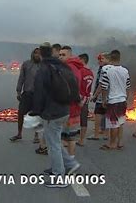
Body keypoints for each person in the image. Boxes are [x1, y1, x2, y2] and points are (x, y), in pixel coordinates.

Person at [31, 42, 80, 188]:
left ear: (40, 53)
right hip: (64, 109)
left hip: (52, 112)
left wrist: (36, 111)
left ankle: (60, 176)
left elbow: (39, 92)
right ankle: (69, 164)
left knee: (53, 145)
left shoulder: (44, 69)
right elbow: (73, 84)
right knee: (55, 141)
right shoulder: (61, 66)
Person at [99, 50, 130, 150]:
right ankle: (120, 142)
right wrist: (126, 98)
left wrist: (104, 100)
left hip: (113, 100)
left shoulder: (108, 71)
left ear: (111, 58)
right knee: (120, 122)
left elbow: (104, 86)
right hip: (122, 100)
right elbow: (128, 86)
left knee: (113, 124)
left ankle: (112, 144)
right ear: (119, 58)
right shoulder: (125, 71)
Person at [10, 48, 41, 142]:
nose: (37, 55)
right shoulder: (26, 64)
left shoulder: (43, 66)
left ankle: (37, 135)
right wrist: (18, 91)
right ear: (32, 54)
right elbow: (21, 78)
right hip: (27, 93)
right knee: (21, 113)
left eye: (39, 53)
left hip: (39, 94)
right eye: (35, 53)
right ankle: (19, 133)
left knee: (37, 115)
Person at [58, 46, 83, 158]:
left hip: (67, 108)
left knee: (65, 136)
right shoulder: (76, 68)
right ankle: (69, 160)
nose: (60, 57)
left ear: (70, 55)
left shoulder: (68, 68)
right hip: (74, 108)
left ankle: (68, 162)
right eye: (60, 55)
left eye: (63, 55)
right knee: (70, 136)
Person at [88, 53, 107, 140]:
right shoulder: (103, 68)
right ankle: (105, 132)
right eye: (99, 60)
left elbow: (101, 84)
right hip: (107, 96)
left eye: (101, 59)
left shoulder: (105, 69)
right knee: (105, 114)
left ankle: (96, 135)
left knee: (98, 113)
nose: (99, 61)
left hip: (102, 95)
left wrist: (95, 95)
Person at [77, 53, 94, 147]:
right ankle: (82, 139)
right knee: (84, 120)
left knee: (73, 118)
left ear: (82, 60)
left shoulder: (80, 71)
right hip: (86, 98)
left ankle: (68, 139)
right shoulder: (90, 72)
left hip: (79, 97)